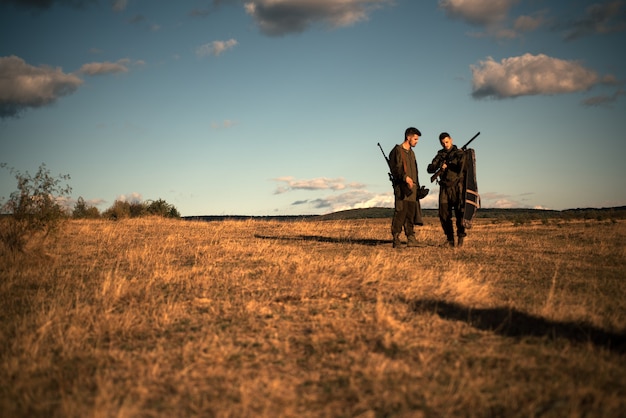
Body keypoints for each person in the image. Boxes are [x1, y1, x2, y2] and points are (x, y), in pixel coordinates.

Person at [427, 132, 467, 247]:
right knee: (443, 214)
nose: (445, 144)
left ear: (451, 140)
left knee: (460, 213)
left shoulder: (459, 153)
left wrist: (457, 160)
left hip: (457, 187)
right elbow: (430, 169)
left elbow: (463, 168)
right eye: (443, 143)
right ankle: (450, 239)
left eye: (447, 142)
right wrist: (440, 166)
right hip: (444, 188)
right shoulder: (440, 155)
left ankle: (460, 238)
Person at [389, 127, 424, 248]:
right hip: (402, 189)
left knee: (410, 214)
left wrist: (418, 188)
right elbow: (395, 169)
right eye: (415, 139)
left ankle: (411, 238)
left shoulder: (412, 153)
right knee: (400, 213)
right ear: (408, 137)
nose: (416, 141)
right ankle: (396, 238)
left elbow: (415, 172)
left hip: (412, 190)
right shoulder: (397, 151)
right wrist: (405, 178)